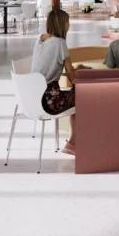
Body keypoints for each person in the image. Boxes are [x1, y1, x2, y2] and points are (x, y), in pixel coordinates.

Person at [31, 9, 78, 154]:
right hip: (49, 101)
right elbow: (71, 74)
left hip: (32, 97)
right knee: (83, 96)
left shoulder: (39, 39)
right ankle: (74, 142)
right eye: (68, 22)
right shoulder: (60, 43)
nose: (69, 25)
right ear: (62, 24)